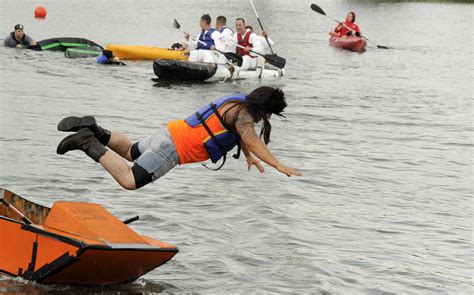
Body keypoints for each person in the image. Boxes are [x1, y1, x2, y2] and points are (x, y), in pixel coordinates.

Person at [56, 86, 303, 190]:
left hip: (171, 132)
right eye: (270, 112)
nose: (268, 116)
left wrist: (248, 157)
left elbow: (242, 137)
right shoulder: (244, 115)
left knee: (130, 151)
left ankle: (96, 130)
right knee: (130, 180)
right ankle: (87, 141)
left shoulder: (237, 101)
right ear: (262, 106)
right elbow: (251, 139)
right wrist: (278, 165)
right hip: (174, 148)